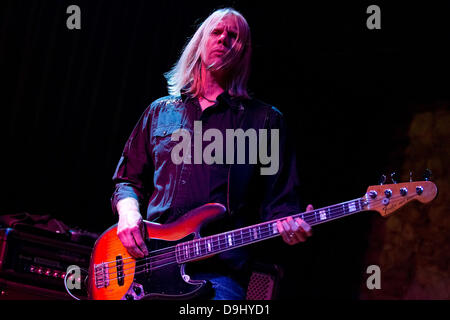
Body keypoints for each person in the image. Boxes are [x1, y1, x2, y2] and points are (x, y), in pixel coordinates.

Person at [111, 7, 313, 300]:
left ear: (243, 53)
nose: (223, 39)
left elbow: (281, 204)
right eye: (216, 32)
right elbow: (126, 179)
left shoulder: (265, 121)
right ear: (200, 42)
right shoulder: (160, 112)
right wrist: (128, 214)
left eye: (234, 36)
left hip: (219, 273)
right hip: (147, 264)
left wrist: (291, 226)